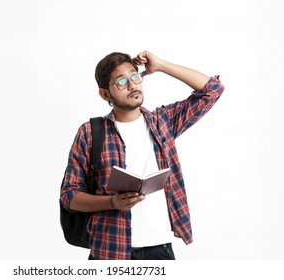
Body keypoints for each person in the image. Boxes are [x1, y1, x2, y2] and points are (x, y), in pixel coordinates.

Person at [60, 50, 225, 260]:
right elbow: (70, 195)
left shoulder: (163, 122)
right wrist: (112, 203)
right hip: (108, 250)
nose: (132, 85)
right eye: (121, 81)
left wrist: (161, 65)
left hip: (159, 248)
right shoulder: (90, 132)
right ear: (105, 94)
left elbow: (213, 90)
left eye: (134, 77)